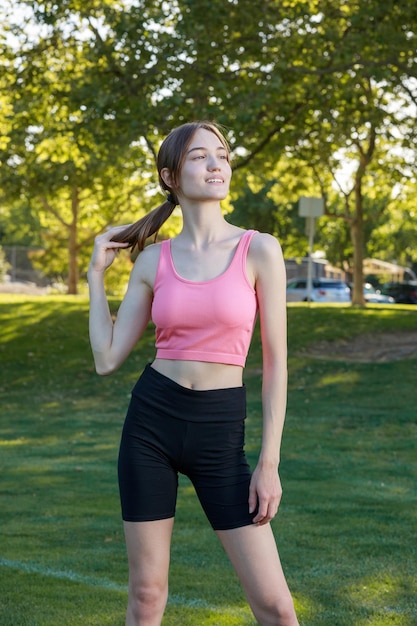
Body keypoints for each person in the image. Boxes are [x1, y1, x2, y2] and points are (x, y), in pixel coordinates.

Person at [88, 121, 299, 626]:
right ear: (171, 176)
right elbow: (107, 358)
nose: (216, 164)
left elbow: (275, 364)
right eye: (200, 157)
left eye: (222, 155)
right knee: (146, 595)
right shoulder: (154, 260)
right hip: (151, 425)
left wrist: (268, 463)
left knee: (276, 607)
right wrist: (96, 276)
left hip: (220, 431)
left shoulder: (259, 249)